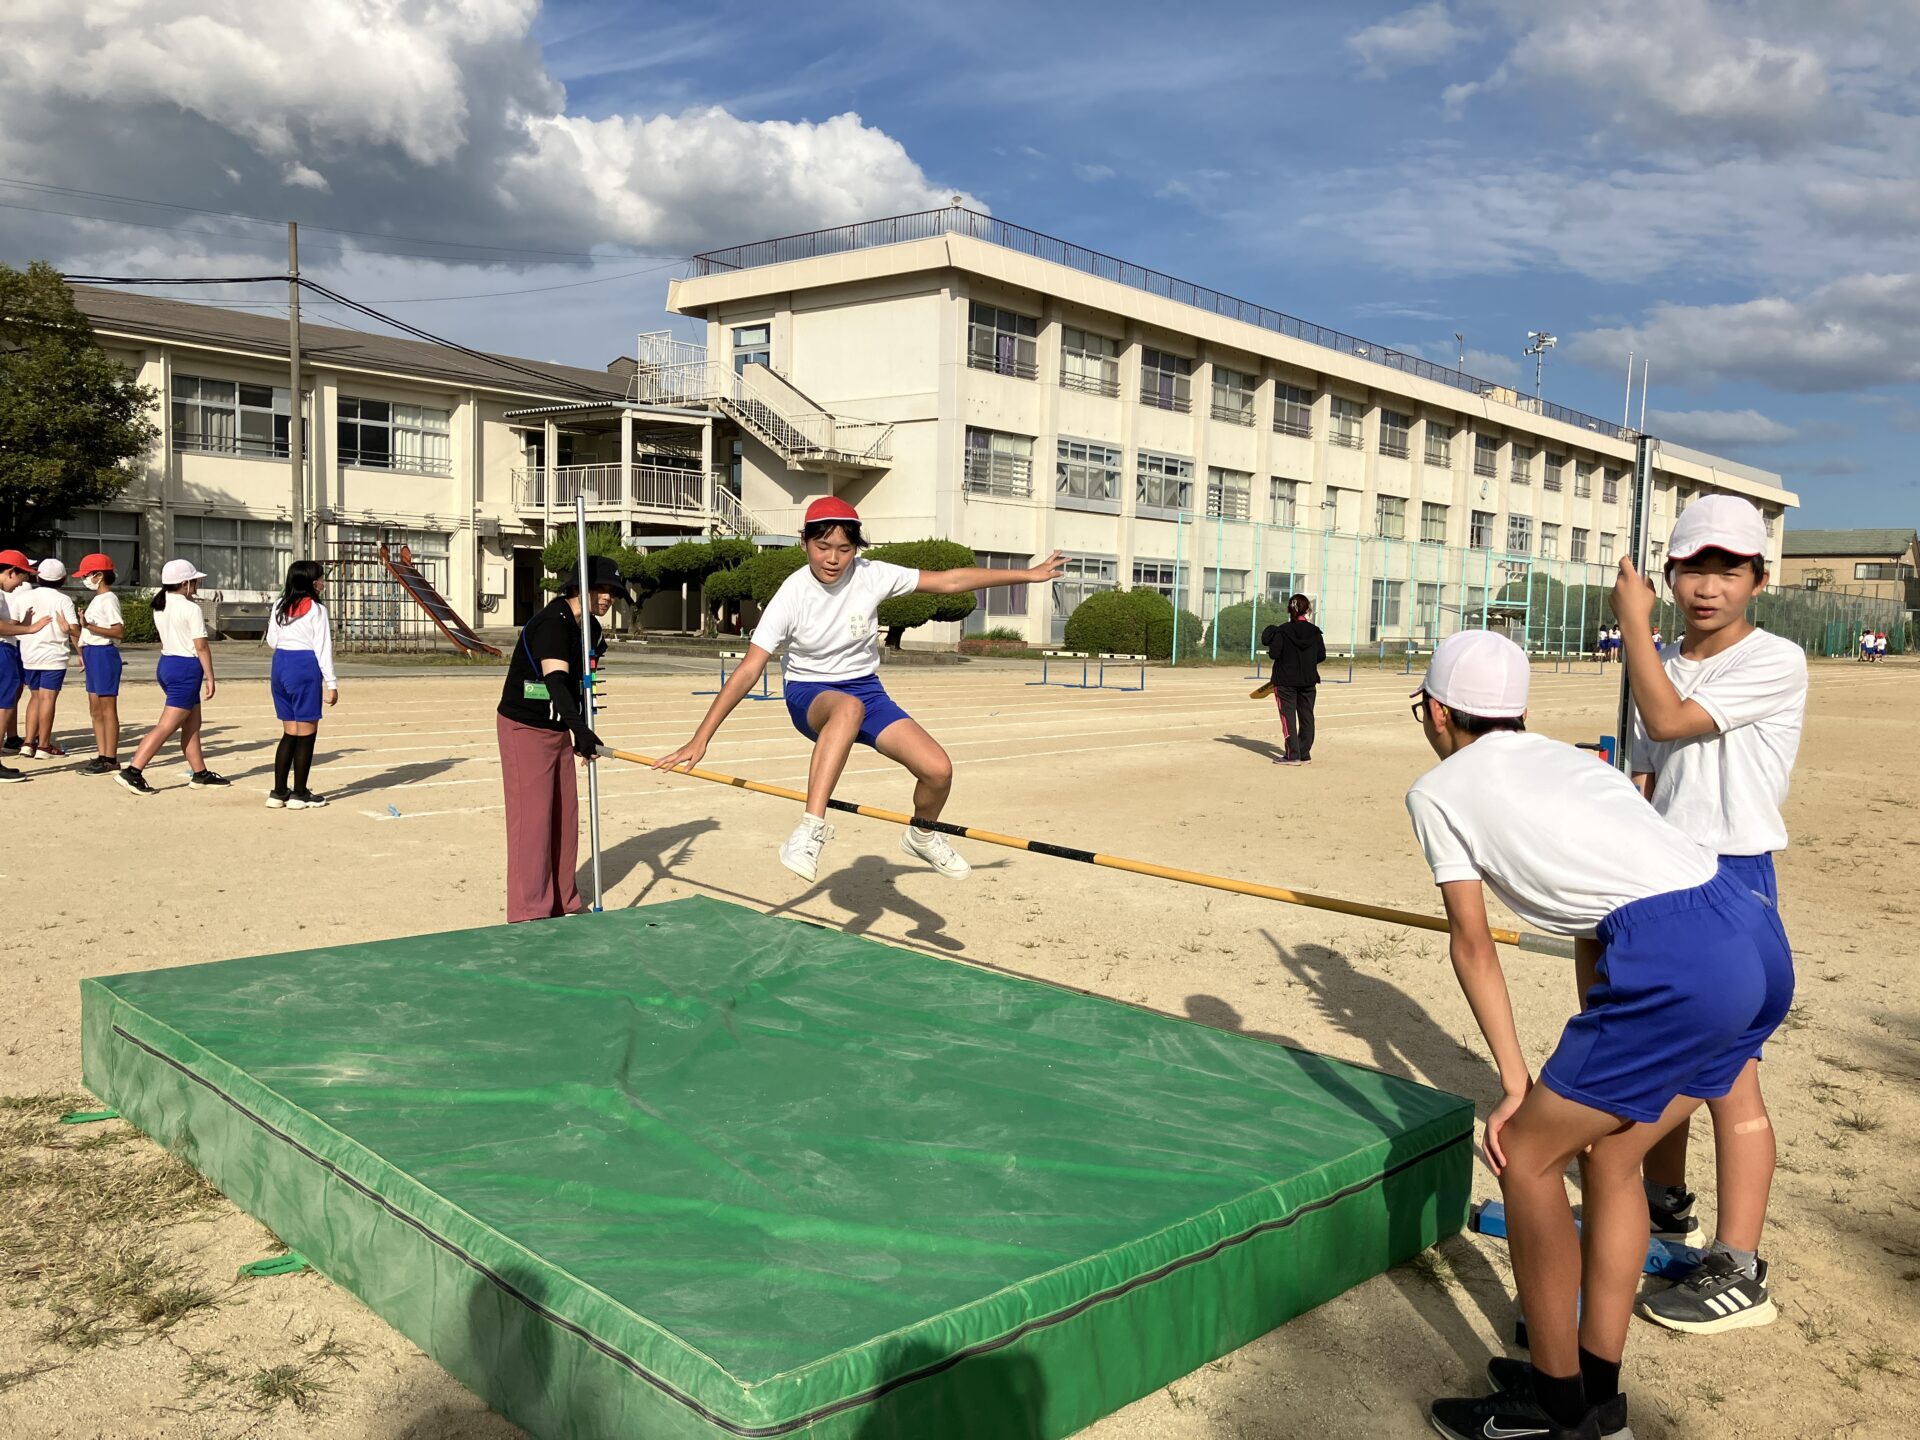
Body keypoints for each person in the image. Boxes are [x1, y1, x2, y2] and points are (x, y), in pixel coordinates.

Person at [1406, 630, 1791, 1440]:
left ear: (1439, 712)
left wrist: (1516, 1084)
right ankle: (1595, 1396)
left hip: (1675, 958)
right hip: (1750, 933)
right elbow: (1599, 912)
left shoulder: (1440, 789)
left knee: (1526, 1153)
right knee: (1613, 1151)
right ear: (1517, 713)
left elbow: (1472, 943)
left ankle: (1549, 1412)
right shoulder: (1573, 762)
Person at [1615, 494, 1804, 1336]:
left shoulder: (1776, 659)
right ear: (1672, 571)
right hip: (1664, 874)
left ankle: (1742, 1264)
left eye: (1729, 568)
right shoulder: (1662, 659)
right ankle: (1665, 1204)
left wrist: (1631, 628)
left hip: (1733, 877)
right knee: (1668, 1056)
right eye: (1695, 566)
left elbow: (1667, 719)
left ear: (1758, 580)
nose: (1708, 585)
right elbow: (1650, 773)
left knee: (1731, 1080)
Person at [656, 497, 1064, 882]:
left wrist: (1029, 575)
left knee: (938, 770)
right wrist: (700, 738)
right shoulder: (791, 595)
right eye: (823, 546)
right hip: (810, 694)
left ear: (856, 549)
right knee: (846, 708)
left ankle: (922, 835)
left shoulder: (873, 575)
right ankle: (810, 829)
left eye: (844, 548)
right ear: (804, 544)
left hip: (868, 692)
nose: (833, 558)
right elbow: (747, 672)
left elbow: (951, 581)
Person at [496, 553, 628, 922]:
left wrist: (581, 727)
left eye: (613, 593)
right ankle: (530, 912)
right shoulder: (551, 623)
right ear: (579, 586)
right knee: (533, 822)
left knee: (565, 819)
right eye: (603, 589)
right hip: (526, 727)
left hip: (557, 729)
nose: (608, 598)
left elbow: (582, 683)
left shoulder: (591, 629)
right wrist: (581, 729)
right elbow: (555, 680)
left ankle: (563, 900)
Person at [117, 559, 228, 794]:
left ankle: (200, 773)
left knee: (193, 723)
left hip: (167, 664)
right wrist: (210, 677)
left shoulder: (162, 603)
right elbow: (201, 647)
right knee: (167, 725)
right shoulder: (190, 608)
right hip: (185, 668)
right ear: (185, 583)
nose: (197, 583)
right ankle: (133, 771)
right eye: (194, 580)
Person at [264, 559, 339, 809]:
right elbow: (323, 648)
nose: (323, 582)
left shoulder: (279, 606)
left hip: (280, 664)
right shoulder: (317, 610)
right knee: (307, 734)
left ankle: (278, 792)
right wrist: (331, 682)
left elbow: (272, 641)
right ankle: (299, 793)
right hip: (304, 665)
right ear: (311, 582)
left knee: (289, 732)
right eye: (320, 578)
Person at [18, 558, 79, 760]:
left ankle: (28, 742)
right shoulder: (63, 600)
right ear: (62, 579)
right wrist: (80, 652)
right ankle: (44, 745)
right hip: (53, 654)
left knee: (35, 696)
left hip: (29, 652)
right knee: (48, 699)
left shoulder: (25, 597)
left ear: (38, 576)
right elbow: (73, 629)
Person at [0, 549, 52, 783]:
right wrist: (29, 629)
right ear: (11, 572)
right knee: (4, 705)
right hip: (3, 649)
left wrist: (22, 624)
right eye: (22, 578)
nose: (21, 584)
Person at [74, 554, 125, 775]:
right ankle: (102, 753)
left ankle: (110, 757)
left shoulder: (109, 599)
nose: (85, 579)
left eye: (87, 575)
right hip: (93, 653)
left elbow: (118, 631)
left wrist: (90, 626)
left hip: (104, 653)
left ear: (99, 575)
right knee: (95, 708)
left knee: (106, 708)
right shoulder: (98, 598)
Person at [1266, 594, 1325, 765]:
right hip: (1308, 680)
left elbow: (1274, 654)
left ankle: (1292, 755)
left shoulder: (1282, 631)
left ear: (1289, 610)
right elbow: (1321, 655)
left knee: (1288, 717)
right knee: (1307, 716)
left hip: (1285, 680)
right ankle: (1304, 752)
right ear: (1307, 610)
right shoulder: (1315, 632)